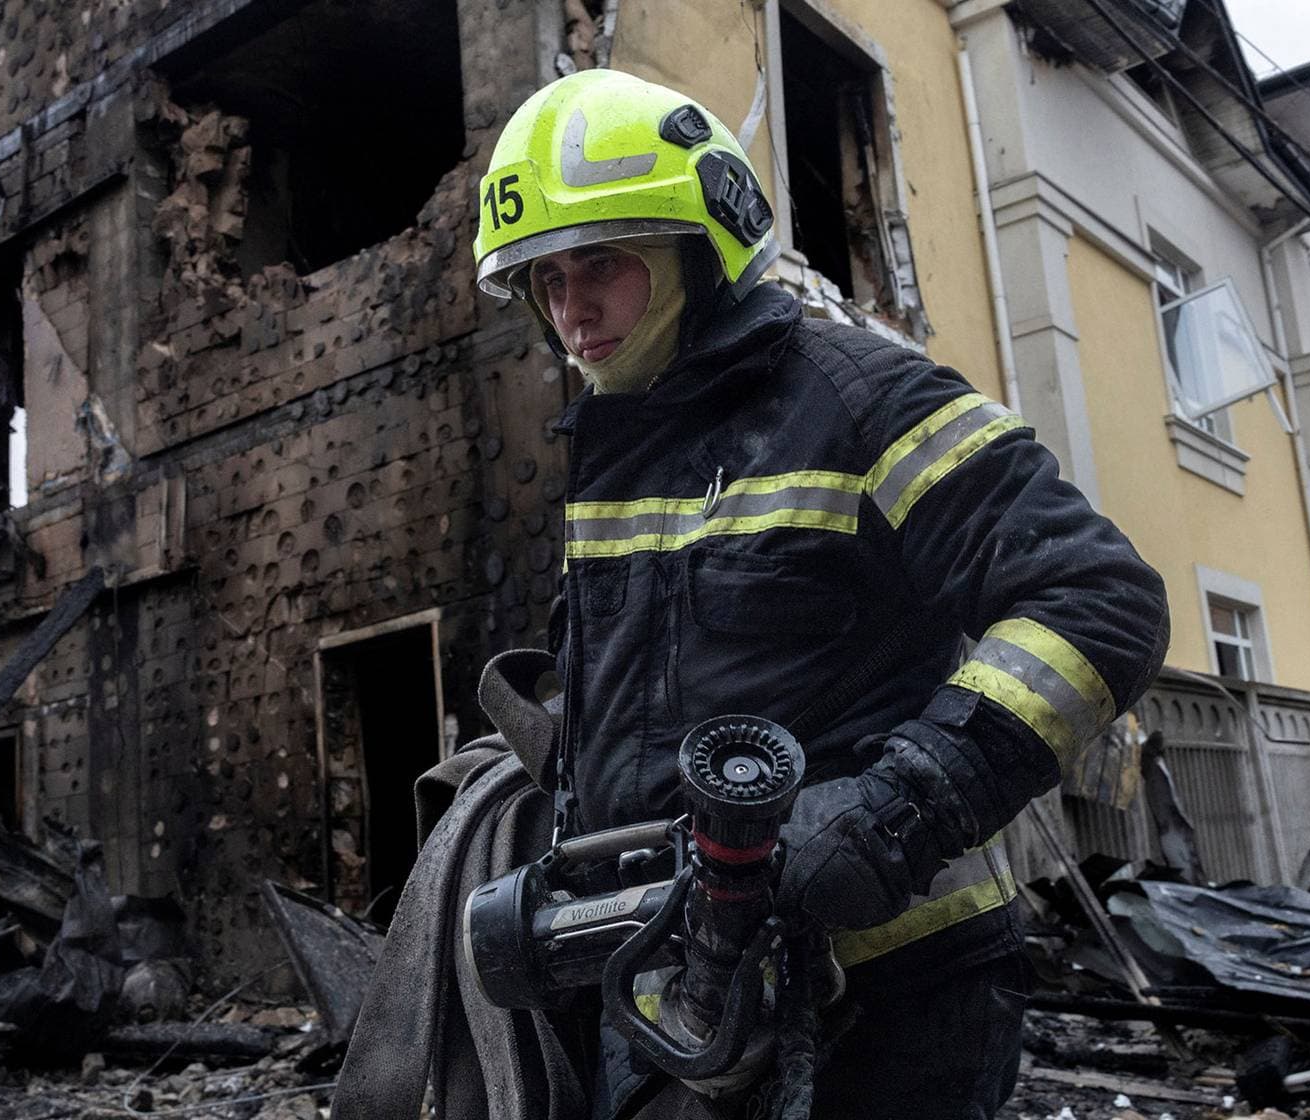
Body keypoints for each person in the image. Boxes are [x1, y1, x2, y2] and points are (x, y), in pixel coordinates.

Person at [470, 70, 1170, 1118]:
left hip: (890, 997)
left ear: (701, 245)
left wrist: (901, 809)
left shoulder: (863, 400)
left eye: (602, 262)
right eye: (546, 279)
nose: (573, 310)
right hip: (682, 987)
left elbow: (1099, 597)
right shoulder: (618, 448)